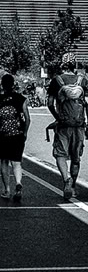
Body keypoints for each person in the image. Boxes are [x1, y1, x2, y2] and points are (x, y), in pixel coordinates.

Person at [47, 58, 88, 200]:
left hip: (63, 125)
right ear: (74, 67)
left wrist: (57, 117)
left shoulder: (56, 81)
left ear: (62, 66)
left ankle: (66, 179)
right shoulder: (82, 80)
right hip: (79, 125)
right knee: (76, 157)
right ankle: (73, 186)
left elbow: (49, 103)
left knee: (60, 154)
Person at [0, 73, 30, 203]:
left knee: (4, 162)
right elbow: (27, 118)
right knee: (16, 162)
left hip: (2, 136)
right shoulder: (20, 99)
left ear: (2, 85)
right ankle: (18, 183)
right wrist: (25, 132)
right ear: (13, 84)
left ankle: (7, 189)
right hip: (18, 135)